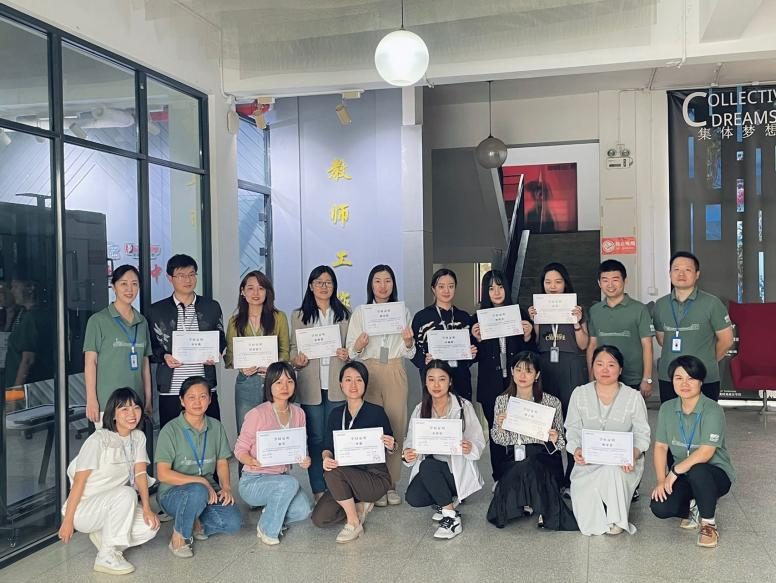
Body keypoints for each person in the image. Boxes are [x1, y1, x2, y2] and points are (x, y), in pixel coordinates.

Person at [59, 388, 159, 575]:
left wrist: (147, 508)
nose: (132, 414)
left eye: (136, 408)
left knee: (150, 527)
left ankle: (105, 539)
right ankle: (106, 557)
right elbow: (79, 482)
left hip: (114, 504)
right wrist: (68, 521)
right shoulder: (99, 439)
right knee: (127, 493)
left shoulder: (138, 437)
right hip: (85, 509)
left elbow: (140, 475)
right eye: (124, 409)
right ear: (113, 414)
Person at [346, 264, 414, 506]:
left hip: (395, 367)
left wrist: (408, 342)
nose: (383, 286)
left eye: (387, 281)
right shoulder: (360, 313)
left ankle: (391, 484)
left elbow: (410, 351)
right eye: (378, 281)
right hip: (369, 370)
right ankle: (374, 484)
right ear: (370, 285)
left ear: (393, 284)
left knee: (395, 425)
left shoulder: (402, 311)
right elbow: (351, 351)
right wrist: (359, 345)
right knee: (371, 428)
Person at [650, 356, 735, 548]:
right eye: (679, 378)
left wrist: (674, 471)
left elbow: (706, 452)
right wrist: (661, 480)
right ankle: (695, 504)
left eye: (691, 378)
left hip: (715, 474)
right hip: (684, 474)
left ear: (700, 381)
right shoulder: (667, 409)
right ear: (672, 381)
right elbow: (661, 447)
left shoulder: (712, 410)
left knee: (698, 470)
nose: (685, 384)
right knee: (660, 506)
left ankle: (708, 524)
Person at [565, 346, 650, 536]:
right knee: (586, 496)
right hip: (588, 460)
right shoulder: (580, 393)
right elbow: (572, 429)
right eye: (599, 364)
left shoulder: (633, 397)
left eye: (611, 365)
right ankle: (600, 513)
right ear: (592, 367)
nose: (605, 369)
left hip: (622, 462)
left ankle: (616, 518)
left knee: (612, 471)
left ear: (620, 369)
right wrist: (576, 449)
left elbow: (642, 434)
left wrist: (633, 454)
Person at [487, 352, 576, 530]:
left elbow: (561, 444)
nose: (522, 375)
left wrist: (555, 438)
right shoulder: (502, 401)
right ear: (512, 372)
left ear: (537, 375)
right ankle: (538, 503)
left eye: (528, 371)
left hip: (544, 457)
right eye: (518, 369)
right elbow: (499, 440)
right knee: (524, 464)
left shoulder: (551, 402)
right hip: (514, 456)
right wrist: (501, 427)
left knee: (533, 462)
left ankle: (537, 505)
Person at [155, 376, 241, 557]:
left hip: (208, 492)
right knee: (197, 490)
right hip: (173, 493)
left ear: (209, 399)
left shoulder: (216, 427)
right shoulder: (170, 430)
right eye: (191, 397)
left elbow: (222, 461)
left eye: (202, 396)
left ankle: (195, 521)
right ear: (182, 401)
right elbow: (162, 474)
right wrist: (201, 481)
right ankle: (179, 536)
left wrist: (226, 487)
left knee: (233, 522)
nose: (197, 402)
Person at [311, 361, 394, 543]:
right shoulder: (335, 414)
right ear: (341, 384)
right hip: (345, 478)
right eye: (348, 380)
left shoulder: (376, 412)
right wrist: (326, 458)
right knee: (320, 519)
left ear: (365, 383)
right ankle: (358, 506)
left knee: (332, 473)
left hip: (373, 478)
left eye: (359, 380)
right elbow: (327, 447)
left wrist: (390, 444)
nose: (353, 385)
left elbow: (391, 446)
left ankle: (353, 523)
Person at [403, 360, 485, 540]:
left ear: (450, 381)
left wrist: (469, 446)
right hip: (432, 469)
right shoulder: (420, 409)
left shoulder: (463, 406)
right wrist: (408, 454)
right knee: (414, 497)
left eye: (442, 379)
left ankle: (451, 517)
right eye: (431, 379)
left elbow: (478, 440)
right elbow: (410, 441)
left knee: (428, 466)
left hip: (455, 473)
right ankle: (444, 500)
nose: (436, 384)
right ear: (425, 382)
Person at [234, 362, 312, 545]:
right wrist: (250, 460)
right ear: (269, 385)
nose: (285, 387)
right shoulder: (257, 414)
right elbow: (239, 449)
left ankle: (271, 513)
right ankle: (267, 530)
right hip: (254, 480)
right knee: (290, 483)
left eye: (289, 381)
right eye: (278, 382)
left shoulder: (299, 413)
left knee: (304, 510)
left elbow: (300, 448)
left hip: (281, 478)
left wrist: (305, 460)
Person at [289, 265, 351, 500]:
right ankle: (318, 489)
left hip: (337, 384)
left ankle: (337, 487)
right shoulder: (298, 315)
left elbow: (353, 347)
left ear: (334, 286)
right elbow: (293, 349)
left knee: (337, 437)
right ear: (311, 286)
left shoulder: (345, 314)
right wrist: (296, 361)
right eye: (319, 282)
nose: (324, 287)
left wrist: (348, 354)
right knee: (315, 438)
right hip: (311, 386)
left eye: (329, 282)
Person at [146, 254, 227, 427]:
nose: (188, 280)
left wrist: (216, 352)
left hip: (204, 387)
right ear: (170, 278)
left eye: (191, 274)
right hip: (172, 388)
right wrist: (164, 356)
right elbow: (151, 347)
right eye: (181, 275)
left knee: (210, 432)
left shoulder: (211, 307)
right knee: (172, 434)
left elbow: (221, 338)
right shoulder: (156, 311)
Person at [470, 269, 535, 485]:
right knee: (497, 431)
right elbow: (473, 358)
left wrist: (528, 335)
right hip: (491, 384)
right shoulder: (478, 319)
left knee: (519, 430)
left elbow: (531, 353)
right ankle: (499, 477)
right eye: (491, 288)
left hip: (517, 383)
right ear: (485, 292)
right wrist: (477, 340)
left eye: (500, 287)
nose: (496, 292)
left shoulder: (519, 314)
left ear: (506, 288)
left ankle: (519, 475)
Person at [527, 262, 589, 488]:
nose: (552, 286)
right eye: (548, 282)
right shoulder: (538, 309)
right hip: (547, 368)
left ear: (565, 284)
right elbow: (535, 342)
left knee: (572, 423)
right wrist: (533, 322)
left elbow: (583, 344)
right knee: (547, 423)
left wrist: (577, 323)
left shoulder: (576, 309)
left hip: (570, 367)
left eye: (558, 282)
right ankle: (552, 477)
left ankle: (572, 476)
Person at [653, 251, 734, 403]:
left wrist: (707, 360)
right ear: (670, 273)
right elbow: (662, 339)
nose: (681, 274)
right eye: (676, 269)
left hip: (704, 377)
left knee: (705, 417)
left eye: (687, 270)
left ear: (697, 274)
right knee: (671, 416)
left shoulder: (712, 303)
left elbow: (726, 340)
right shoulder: (660, 305)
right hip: (669, 377)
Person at [83, 265, 152, 428]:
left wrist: (148, 400)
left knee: (135, 444)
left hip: (135, 404)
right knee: (109, 444)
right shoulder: (98, 320)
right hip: (107, 403)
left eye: (134, 284)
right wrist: (91, 399)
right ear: (113, 287)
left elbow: (145, 364)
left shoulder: (142, 322)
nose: (129, 289)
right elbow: (90, 363)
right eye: (123, 284)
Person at [225, 270, 290, 433]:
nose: (256, 293)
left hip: (273, 381)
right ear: (242, 292)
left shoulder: (279, 317)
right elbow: (230, 356)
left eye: (261, 288)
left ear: (267, 292)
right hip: (246, 382)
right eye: (250, 288)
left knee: (274, 432)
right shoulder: (234, 322)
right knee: (247, 432)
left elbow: (285, 351)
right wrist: (241, 367)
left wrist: (274, 366)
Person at [587, 259, 654, 397]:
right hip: (603, 377)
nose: (610, 285)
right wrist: (591, 376)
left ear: (625, 281)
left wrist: (647, 378)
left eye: (615, 279)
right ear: (599, 283)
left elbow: (647, 345)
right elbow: (592, 345)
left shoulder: (639, 309)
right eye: (605, 280)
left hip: (633, 378)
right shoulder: (595, 310)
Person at [410, 268, 477, 401]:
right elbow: (413, 350)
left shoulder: (464, 317)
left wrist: (472, 353)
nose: (446, 291)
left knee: (461, 412)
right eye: (441, 286)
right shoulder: (421, 317)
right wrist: (423, 360)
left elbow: (472, 353)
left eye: (451, 286)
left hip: (461, 379)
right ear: (433, 289)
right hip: (434, 382)